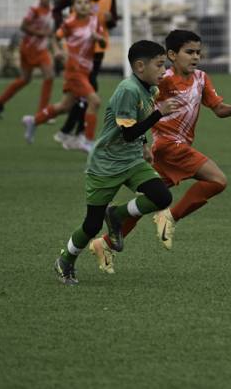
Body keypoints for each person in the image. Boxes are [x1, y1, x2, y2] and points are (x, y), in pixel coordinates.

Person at [88, 30, 231, 274]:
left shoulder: (201, 78)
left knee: (148, 202)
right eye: (189, 52)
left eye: (198, 52)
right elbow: (141, 111)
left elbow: (218, 109)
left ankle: (105, 243)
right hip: (167, 146)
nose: (195, 57)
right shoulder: (161, 79)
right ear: (172, 55)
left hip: (173, 149)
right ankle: (170, 217)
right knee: (217, 180)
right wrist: (143, 143)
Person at [53, 40, 179, 285]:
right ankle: (65, 260)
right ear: (140, 66)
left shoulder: (150, 90)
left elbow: (137, 123)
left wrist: (144, 146)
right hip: (105, 165)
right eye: (159, 65)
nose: (164, 70)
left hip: (131, 161)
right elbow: (128, 133)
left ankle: (117, 215)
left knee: (161, 196)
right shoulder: (127, 90)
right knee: (91, 226)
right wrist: (159, 114)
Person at [52, 0, 119, 151]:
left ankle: (68, 132)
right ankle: (76, 134)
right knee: (89, 93)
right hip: (77, 52)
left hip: (97, 48)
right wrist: (63, 26)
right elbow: (56, 8)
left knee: (82, 93)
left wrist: (110, 19)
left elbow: (113, 20)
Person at [21, 0, 104, 144]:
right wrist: (57, 50)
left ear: (90, 6)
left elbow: (102, 43)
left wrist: (100, 39)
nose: (83, 5)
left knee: (65, 106)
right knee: (95, 101)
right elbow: (55, 37)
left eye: (86, 2)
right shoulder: (69, 23)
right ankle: (88, 142)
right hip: (74, 70)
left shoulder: (94, 20)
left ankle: (33, 121)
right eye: (79, 2)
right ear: (73, 7)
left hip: (85, 71)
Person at [0, 0, 55, 117]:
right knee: (25, 79)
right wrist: (40, 33)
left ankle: (42, 112)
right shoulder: (34, 9)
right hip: (29, 48)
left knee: (49, 76)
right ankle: (0, 100)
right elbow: (23, 26)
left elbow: (50, 29)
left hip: (41, 50)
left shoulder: (51, 10)